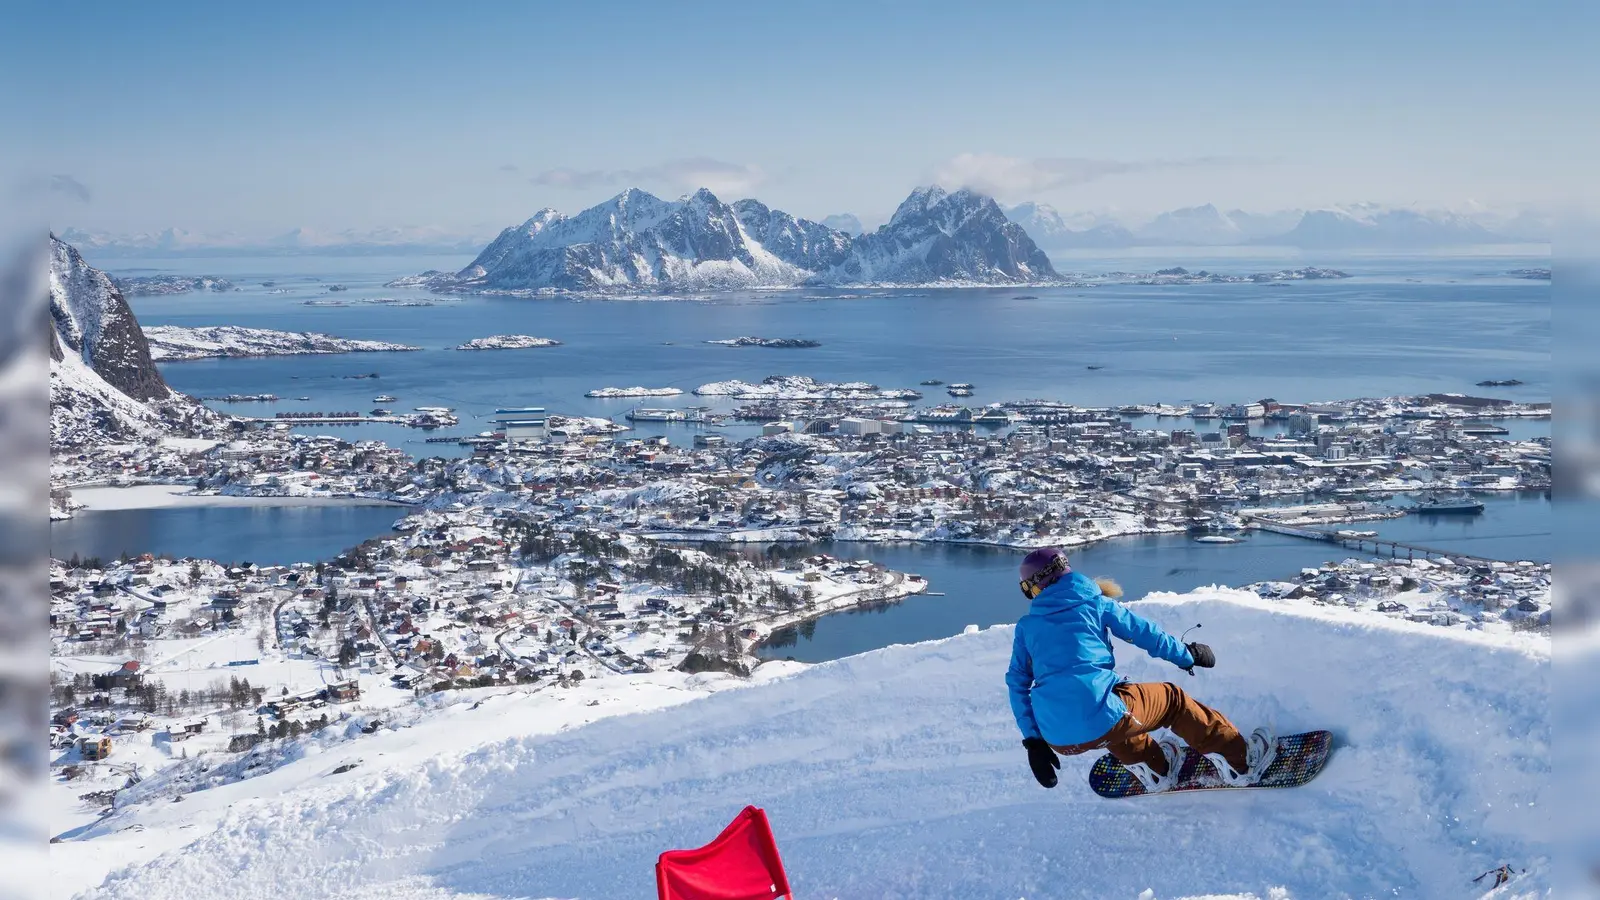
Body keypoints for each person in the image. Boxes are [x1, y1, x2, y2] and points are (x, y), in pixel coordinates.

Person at [1005, 546, 1274, 793]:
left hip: (1057, 737)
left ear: (1039, 585)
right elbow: (1144, 633)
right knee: (1171, 700)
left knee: (1112, 705)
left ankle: (1155, 768)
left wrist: (1034, 742)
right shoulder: (1095, 604)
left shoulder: (1027, 626)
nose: (1034, 596)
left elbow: (1017, 683)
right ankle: (1241, 761)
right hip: (1098, 715)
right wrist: (1187, 656)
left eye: (1031, 590)